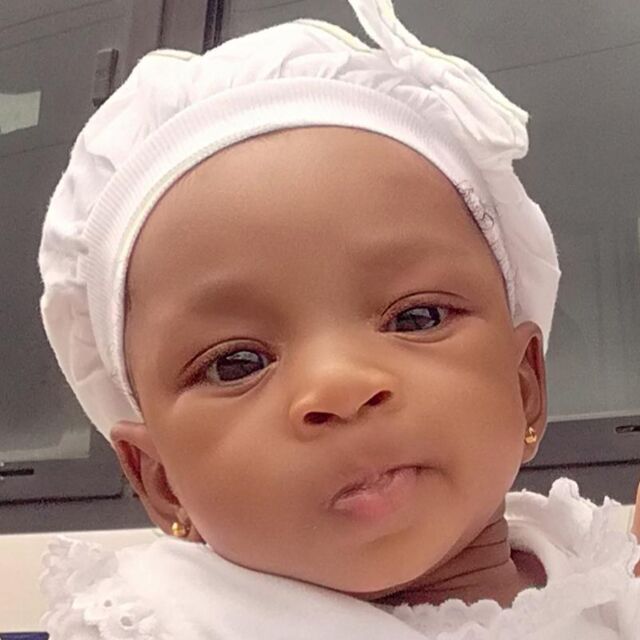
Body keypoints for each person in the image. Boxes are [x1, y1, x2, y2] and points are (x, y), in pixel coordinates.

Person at [37, 0, 639, 637]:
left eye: (417, 318)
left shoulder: (608, 583)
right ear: (160, 481)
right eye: (236, 364)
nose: (341, 385)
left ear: (525, 386)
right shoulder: (170, 622)